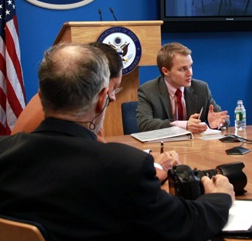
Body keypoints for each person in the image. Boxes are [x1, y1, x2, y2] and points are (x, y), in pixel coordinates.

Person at [0, 43, 235, 241]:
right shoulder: (125, 166)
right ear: (103, 97)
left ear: (41, 95)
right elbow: (188, 227)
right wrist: (220, 196)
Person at [12, 42, 174, 183]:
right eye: (113, 89)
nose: (113, 97)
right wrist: (156, 166)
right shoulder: (78, 112)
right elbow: (104, 169)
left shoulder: (55, 99)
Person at [137, 42, 230, 134]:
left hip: (194, 146)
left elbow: (221, 118)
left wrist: (218, 124)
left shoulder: (201, 88)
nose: (190, 73)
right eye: (183, 69)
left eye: (190, 66)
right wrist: (183, 125)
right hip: (164, 146)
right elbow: (145, 124)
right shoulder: (148, 91)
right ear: (165, 71)